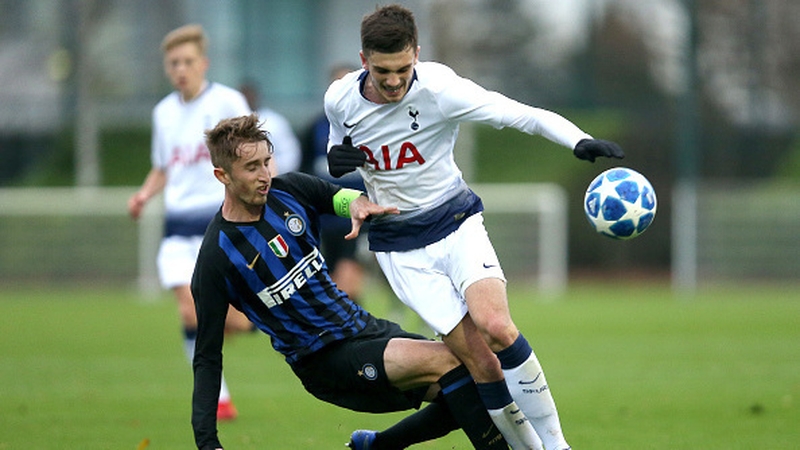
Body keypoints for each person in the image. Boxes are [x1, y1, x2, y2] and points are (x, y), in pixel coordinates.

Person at [324, 5, 625, 450]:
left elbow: (520, 114)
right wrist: (336, 161)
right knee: (482, 364)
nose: (394, 81)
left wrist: (577, 139)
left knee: (497, 327)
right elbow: (337, 148)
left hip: (456, 222)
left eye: (404, 69)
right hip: (400, 247)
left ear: (417, 54)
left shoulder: (440, 89)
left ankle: (557, 446)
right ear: (364, 60)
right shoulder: (339, 98)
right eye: (383, 71)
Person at [191, 113, 509, 450]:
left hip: (363, 327)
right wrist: (208, 443)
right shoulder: (217, 256)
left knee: (478, 376)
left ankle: (376, 446)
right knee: (449, 363)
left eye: (267, 162)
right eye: (251, 167)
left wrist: (357, 205)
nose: (264, 175)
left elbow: (338, 197)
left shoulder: (289, 191)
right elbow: (207, 356)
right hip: (323, 359)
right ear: (222, 175)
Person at [127, 24, 253, 422]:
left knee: (232, 320)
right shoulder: (163, 113)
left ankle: (253, 322)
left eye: (187, 61)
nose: (180, 69)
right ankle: (220, 398)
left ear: (204, 63)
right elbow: (163, 167)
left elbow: (252, 156)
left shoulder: (227, 101)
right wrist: (144, 195)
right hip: (177, 230)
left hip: (220, 227)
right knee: (189, 312)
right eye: (174, 63)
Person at [301, 64, 368, 303]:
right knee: (331, 282)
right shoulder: (315, 128)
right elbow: (304, 172)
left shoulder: (372, 125)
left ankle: (354, 319)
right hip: (327, 220)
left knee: (348, 281)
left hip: (361, 218)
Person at [239, 80, 302, 174]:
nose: (247, 98)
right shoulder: (232, 122)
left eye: (250, 95)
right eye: (243, 96)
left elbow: (290, 156)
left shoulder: (275, 121)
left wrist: (270, 172)